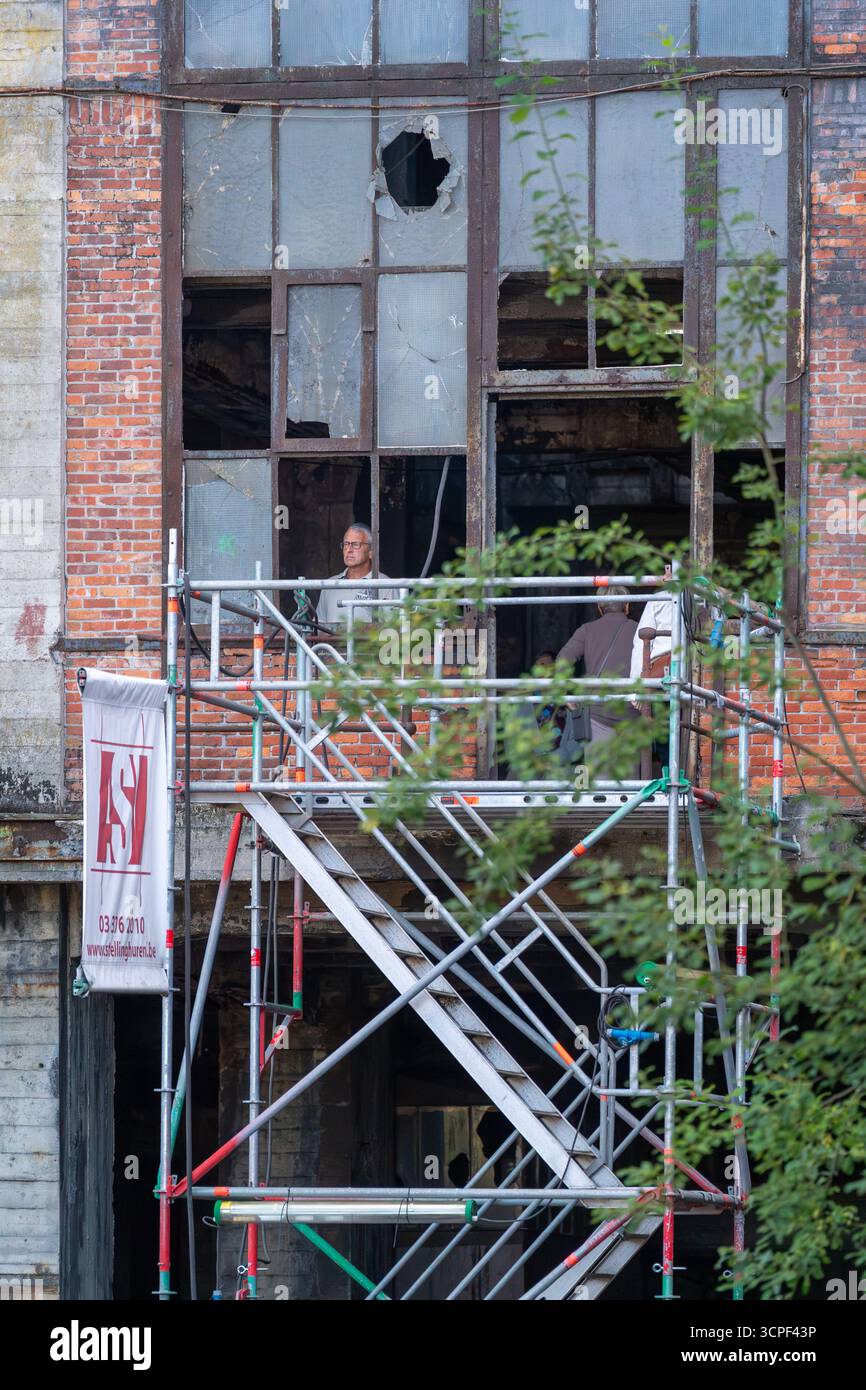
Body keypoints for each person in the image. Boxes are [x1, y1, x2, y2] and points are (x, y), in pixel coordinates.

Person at [557, 586, 638, 748]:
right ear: (627, 605)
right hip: (631, 714)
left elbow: (562, 661)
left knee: (600, 772)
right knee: (631, 773)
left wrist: (565, 695)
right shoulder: (638, 629)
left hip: (597, 713)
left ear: (600, 608)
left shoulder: (587, 630)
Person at [316, 523, 401, 631]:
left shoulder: (386, 585)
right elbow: (317, 629)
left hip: (369, 648)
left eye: (355, 544)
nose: (349, 549)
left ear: (371, 552)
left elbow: (395, 631)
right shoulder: (329, 585)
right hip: (331, 648)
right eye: (346, 544)